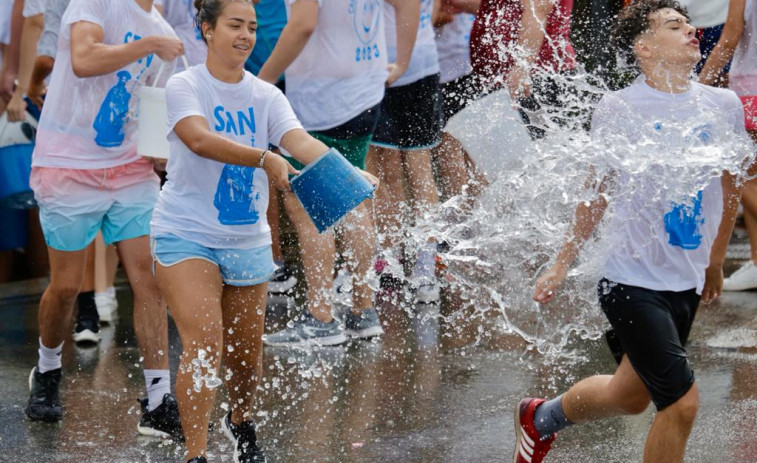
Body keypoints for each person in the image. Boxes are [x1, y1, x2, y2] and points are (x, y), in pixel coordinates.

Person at [515, 1, 749, 461]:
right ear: (643, 47)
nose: (689, 31)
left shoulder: (722, 105)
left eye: (687, 24)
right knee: (680, 404)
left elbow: (733, 184)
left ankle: (540, 419)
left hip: (685, 278)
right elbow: (597, 191)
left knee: (630, 395)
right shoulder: (619, 107)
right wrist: (562, 262)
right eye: (672, 25)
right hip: (629, 280)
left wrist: (717, 260)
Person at [150, 0, 376, 460]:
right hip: (184, 232)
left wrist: (345, 172)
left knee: (245, 356)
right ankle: (196, 453)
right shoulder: (185, 84)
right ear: (206, 29)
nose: (246, 35)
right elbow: (197, 138)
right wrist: (261, 157)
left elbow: (300, 142)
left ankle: (241, 424)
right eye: (235, 25)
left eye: (252, 27)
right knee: (204, 342)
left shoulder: (266, 96)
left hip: (247, 238)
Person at [24, 0, 186, 441]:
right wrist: (150, 44)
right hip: (68, 165)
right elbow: (82, 60)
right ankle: (48, 370)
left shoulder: (159, 27)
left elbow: (151, 101)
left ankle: (158, 400)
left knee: (150, 280)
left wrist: (159, 146)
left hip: (130, 169)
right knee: (66, 287)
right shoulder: (95, 4)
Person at [257, 0, 414, 345]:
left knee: (305, 203)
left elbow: (303, 25)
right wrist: (402, 61)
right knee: (352, 197)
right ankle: (363, 310)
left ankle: (320, 317)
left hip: (322, 99)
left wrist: (263, 82)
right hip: (364, 91)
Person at [367, 0, 445, 304]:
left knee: (413, 169)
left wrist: (402, 60)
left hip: (400, 69)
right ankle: (392, 257)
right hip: (400, 65)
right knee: (392, 168)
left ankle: (422, 265)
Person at [699, 0, 757, 291]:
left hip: (751, 88)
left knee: (740, 176)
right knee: (751, 175)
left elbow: (729, 39)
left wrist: (697, 89)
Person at [469, 0, 577, 139]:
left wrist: (521, 66)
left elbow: (537, 9)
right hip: (510, 75)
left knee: (538, 152)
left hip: (536, 75)